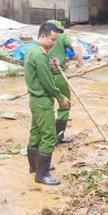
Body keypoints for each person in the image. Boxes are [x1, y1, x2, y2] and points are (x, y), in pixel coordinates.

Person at [25, 23, 71, 185]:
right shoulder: (39, 55)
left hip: (35, 100)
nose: (54, 42)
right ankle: (42, 174)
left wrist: (50, 66)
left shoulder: (33, 50)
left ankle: (34, 167)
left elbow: (42, 73)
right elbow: (47, 82)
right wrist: (60, 97)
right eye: (52, 39)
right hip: (42, 100)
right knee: (49, 136)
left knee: (36, 132)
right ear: (43, 36)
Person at [46, 20, 86, 144]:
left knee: (46, 106)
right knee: (65, 104)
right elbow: (77, 47)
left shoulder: (40, 41)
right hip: (58, 77)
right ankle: (59, 136)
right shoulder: (62, 37)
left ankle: (46, 136)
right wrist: (81, 65)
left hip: (44, 77)